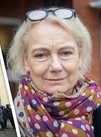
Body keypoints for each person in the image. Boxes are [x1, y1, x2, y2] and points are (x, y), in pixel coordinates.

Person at [7, 7, 101, 137]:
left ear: (80, 57)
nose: (55, 66)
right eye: (40, 55)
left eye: (66, 53)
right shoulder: (11, 119)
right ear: (26, 61)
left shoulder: (98, 111)